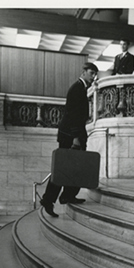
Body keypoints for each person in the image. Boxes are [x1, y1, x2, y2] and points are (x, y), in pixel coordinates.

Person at [40, 62, 98, 217]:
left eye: (95, 74)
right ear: (84, 72)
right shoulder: (76, 88)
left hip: (74, 134)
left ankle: (68, 195)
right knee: (62, 169)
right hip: (71, 136)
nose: (93, 77)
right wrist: (75, 138)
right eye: (91, 73)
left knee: (74, 167)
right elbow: (72, 115)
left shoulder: (81, 88)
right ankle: (48, 200)